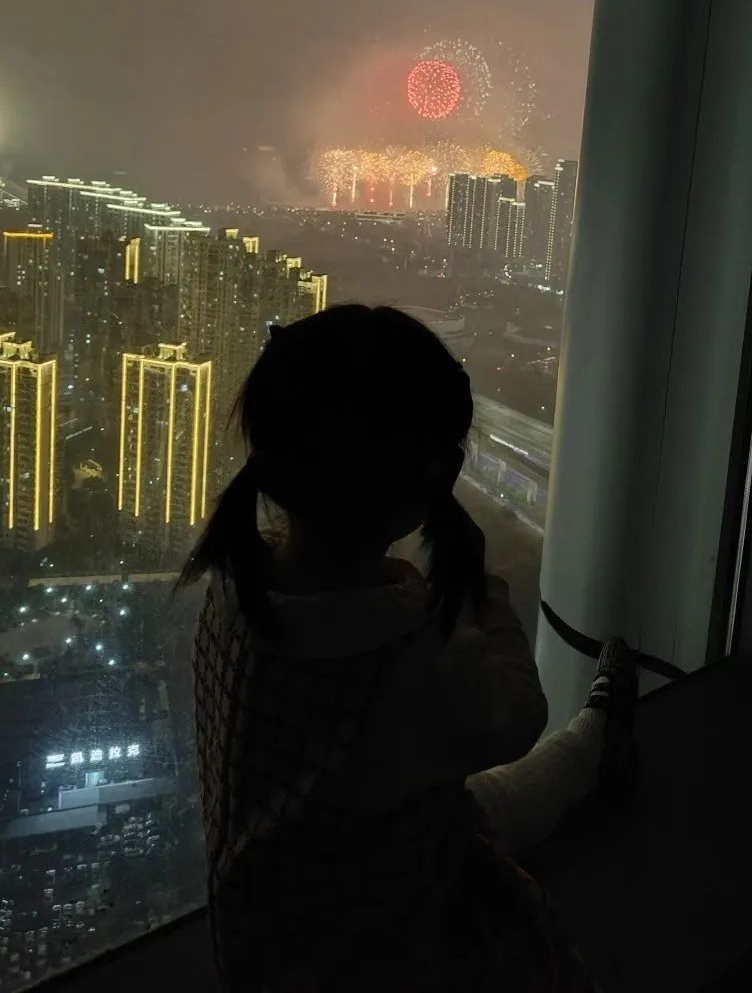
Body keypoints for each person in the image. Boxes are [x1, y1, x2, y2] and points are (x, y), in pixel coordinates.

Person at [179, 304, 638, 992]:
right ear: (429, 481)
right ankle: (596, 741)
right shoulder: (404, 654)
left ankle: (594, 745)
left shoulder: (234, 592)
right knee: (480, 836)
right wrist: (481, 590)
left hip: (264, 945)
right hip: (387, 949)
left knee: (455, 807)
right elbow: (518, 713)